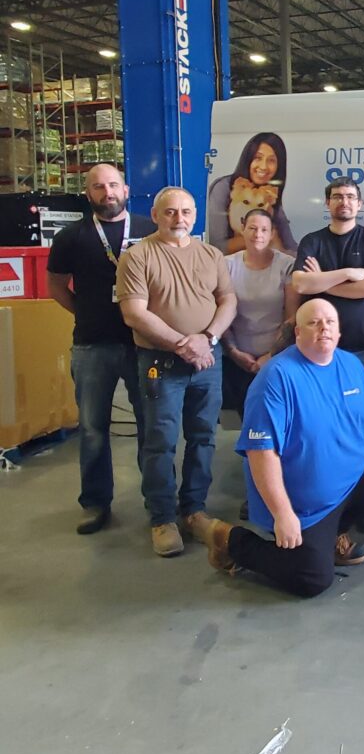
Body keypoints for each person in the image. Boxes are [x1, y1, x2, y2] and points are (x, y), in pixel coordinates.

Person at [199, 299, 364, 598]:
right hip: (304, 505)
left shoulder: (350, 364)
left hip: (350, 481)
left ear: (339, 333)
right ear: (298, 332)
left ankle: (333, 533)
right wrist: (283, 514)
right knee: (312, 579)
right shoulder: (276, 378)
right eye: (314, 322)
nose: (324, 327)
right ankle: (230, 541)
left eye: (330, 323)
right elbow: (261, 453)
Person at [116, 186, 237, 558]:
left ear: (195, 216)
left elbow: (227, 299)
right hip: (160, 364)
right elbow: (134, 313)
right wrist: (185, 344)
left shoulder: (210, 254)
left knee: (203, 438)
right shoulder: (137, 257)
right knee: (160, 441)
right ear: (155, 216)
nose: (178, 219)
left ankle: (194, 510)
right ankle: (162, 518)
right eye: (170, 212)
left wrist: (208, 338)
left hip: (206, 363)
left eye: (186, 212)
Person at [46, 163, 157, 534]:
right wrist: (86, 312)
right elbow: (57, 286)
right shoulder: (71, 238)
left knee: (151, 425)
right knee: (93, 429)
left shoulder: (149, 231)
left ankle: (158, 503)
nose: (106, 192)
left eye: (113, 185)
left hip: (143, 345)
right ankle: (95, 503)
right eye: (98, 187)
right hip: (92, 346)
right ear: (88, 194)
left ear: (126, 190)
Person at [291, 177, 364, 391]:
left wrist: (322, 283)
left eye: (350, 197)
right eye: (337, 197)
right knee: (320, 408)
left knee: (363, 409)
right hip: (318, 345)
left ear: (359, 203)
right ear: (327, 203)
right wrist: (348, 273)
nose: (344, 202)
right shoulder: (312, 241)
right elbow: (300, 284)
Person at [222, 209, 298, 416]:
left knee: (277, 414)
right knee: (247, 416)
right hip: (238, 360)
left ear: (272, 233)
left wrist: (271, 355)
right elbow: (221, 313)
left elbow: (292, 316)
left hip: (279, 358)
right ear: (243, 229)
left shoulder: (287, 265)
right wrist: (235, 353)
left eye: (264, 230)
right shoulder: (226, 265)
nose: (258, 235)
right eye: (253, 228)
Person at [207, 132, 297, 256]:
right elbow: (215, 246)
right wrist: (263, 236)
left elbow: (291, 248)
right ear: (248, 159)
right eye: (258, 158)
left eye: (271, 160)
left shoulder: (270, 195)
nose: (263, 166)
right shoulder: (223, 188)